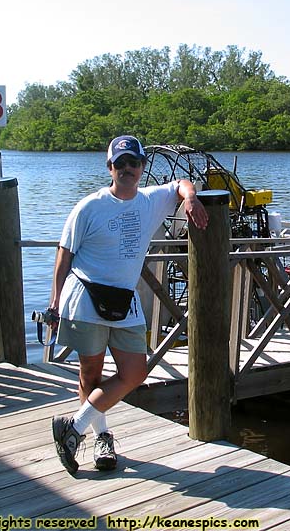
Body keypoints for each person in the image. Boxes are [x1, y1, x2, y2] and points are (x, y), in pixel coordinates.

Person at [49, 135, 208, 474]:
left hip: (125, 301)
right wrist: (54, 303)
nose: (126, 169)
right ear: (109, 168)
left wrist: (191, 198)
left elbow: (180, 183)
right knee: (90, 373)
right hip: (84, 298)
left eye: (132, 163)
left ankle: (73, 429)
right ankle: (101, 438)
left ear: (142, 167)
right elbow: (64, 253)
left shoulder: (151, 200)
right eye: (119, 164)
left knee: (134, 372)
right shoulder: (89, 206)